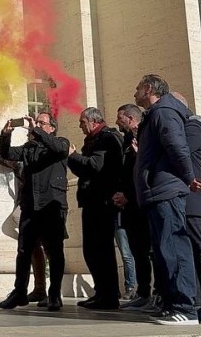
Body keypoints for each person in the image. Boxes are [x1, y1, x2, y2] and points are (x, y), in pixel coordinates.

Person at [133, 74, 201, 326]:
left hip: (166, 190)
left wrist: (188, 176)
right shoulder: (156, 114)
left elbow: (177, 145)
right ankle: (172, 304)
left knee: (174, 248)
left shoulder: (163, 112)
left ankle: (186, 307)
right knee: (164, 251)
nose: (135, 92)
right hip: (156, 191)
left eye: (138, 88)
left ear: (149, 88)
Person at [0, 112, 69, 312]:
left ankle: (54, 294)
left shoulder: (60, 143)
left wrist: (34, 129)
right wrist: (6, 134)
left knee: (54, 252)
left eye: (41, 123)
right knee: (23, 251)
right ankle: (19, 292)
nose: (36, 125)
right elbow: (7, 153)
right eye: (36, 122)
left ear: (51, 128)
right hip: (31, 206)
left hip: (52, 206)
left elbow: (59, 149)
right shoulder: (29, 148)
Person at [67, 107, 123, 310]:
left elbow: (95, 166)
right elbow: (84, 168)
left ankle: (108, 295)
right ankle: (102, 292)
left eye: (82, 122)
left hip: (102, 201)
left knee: (101, 249)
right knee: (92, 249)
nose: (80, 126)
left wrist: (73, 156)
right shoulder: (93, 139)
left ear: (92, 121)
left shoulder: (105, 138)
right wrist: (72, 158)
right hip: (92, 201)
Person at [171, 92, 201, 322]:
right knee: (187, 250)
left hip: (192, 197)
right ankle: (195, 298)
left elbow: (181, 152)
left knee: (198, 248)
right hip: (183, 196)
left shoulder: (193, 128)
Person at [113, 104, 156, 312]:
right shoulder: (126, 140)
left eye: (119, 118)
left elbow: (148, 170)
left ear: (130, 118)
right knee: (138, 251)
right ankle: (143, 292)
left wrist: (128, 195)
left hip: (143, 204)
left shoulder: (145, 135)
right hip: (129, 205)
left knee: (151, 251)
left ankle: (158, 293)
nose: (116, 122)